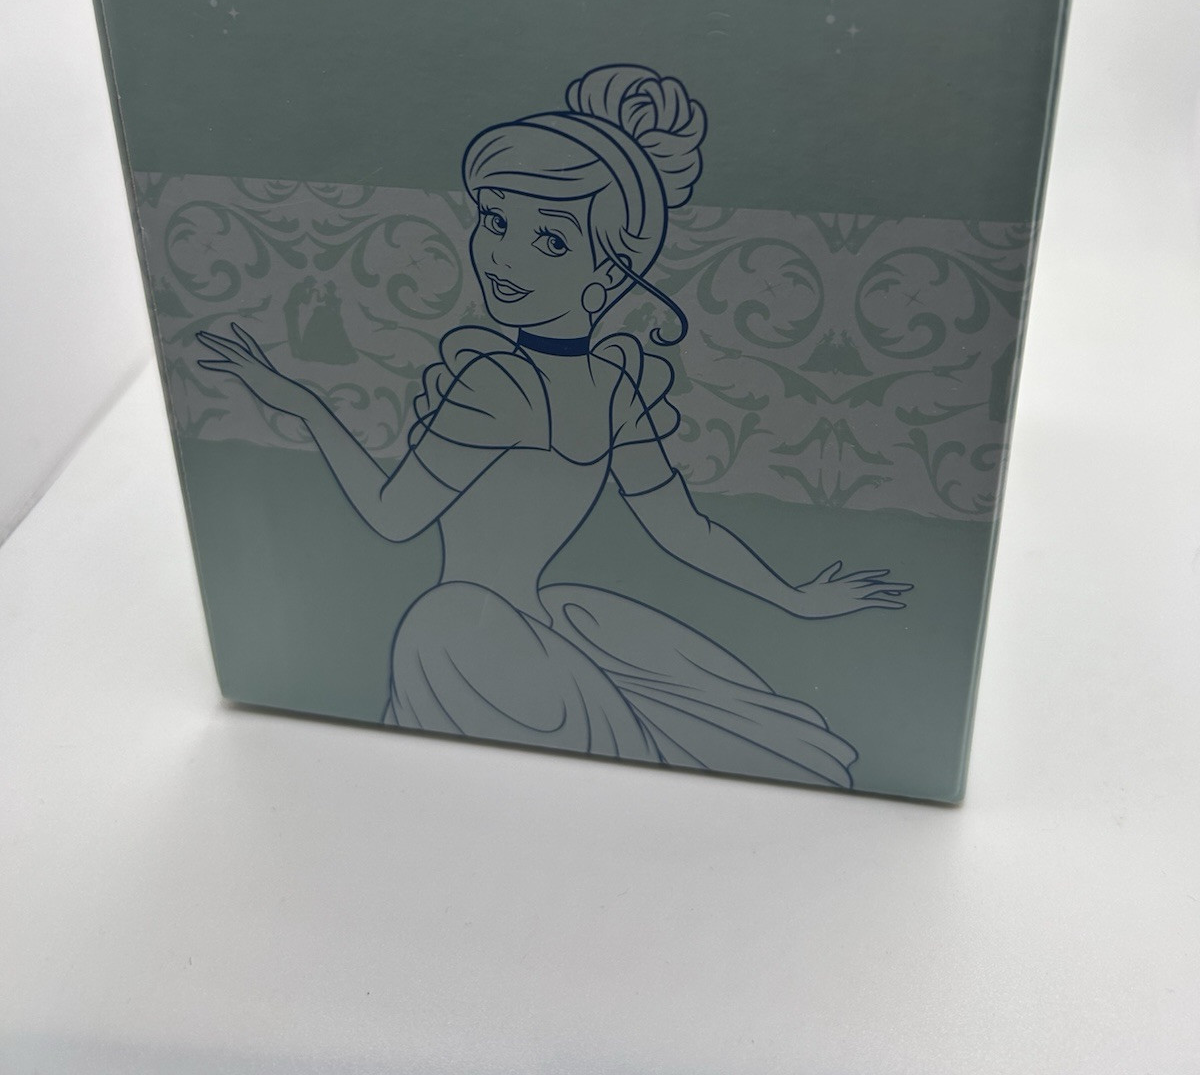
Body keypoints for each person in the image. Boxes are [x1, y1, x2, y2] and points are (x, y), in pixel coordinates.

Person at [197, 64, 909, 787]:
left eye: (553, 241)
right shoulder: (614, 387)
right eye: (496, 221)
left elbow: (393, 517)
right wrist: (794, 598)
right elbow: (685, 531)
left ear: (609, 277)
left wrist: (302, 402)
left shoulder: (495, 383)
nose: (504, 254)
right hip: (542, 626)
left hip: (467, 632)